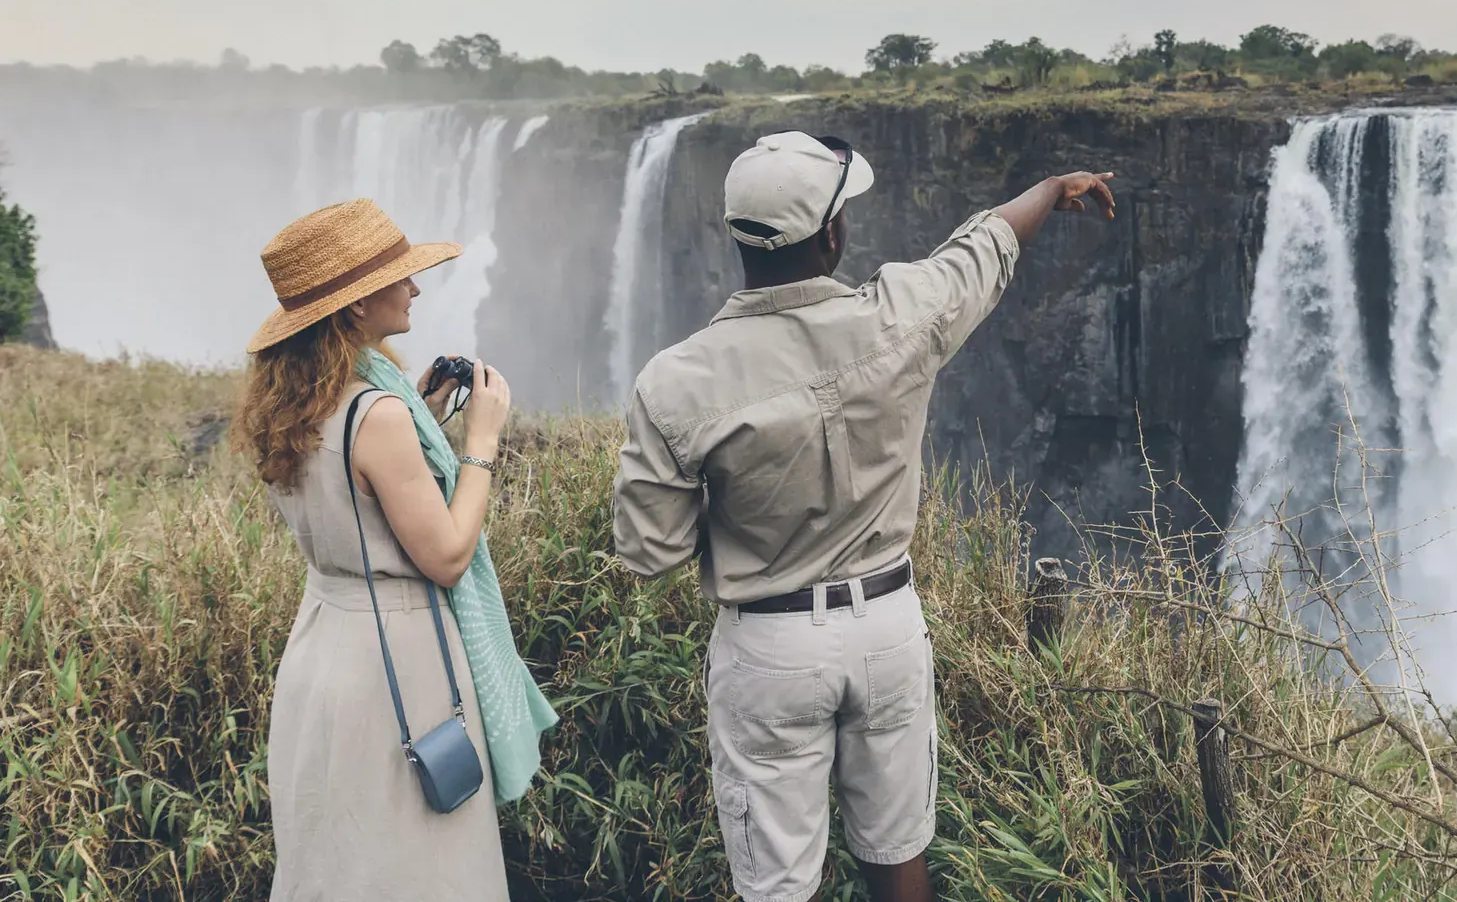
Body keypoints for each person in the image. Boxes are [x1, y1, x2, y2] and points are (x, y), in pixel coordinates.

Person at [612, 131, 1117, 902]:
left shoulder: (676, 381)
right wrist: (1052, 188)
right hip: (888, 627)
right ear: (834, 235)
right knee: (897, 853)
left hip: (770, 645)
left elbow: (649, 551)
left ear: (739, 237)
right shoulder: (901, 317)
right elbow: (983, 248)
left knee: (778, 883)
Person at [235, 198, 554, 902]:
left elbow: (355, 500)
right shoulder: (376, 417)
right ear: (352, 309)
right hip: (397, 663)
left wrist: (421, 418)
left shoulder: (293, 408)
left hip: (323, 652)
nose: (414, 287)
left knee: (341, 860)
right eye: (401, 277)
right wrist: (481, 442)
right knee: (421, 867)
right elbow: (445, 556)